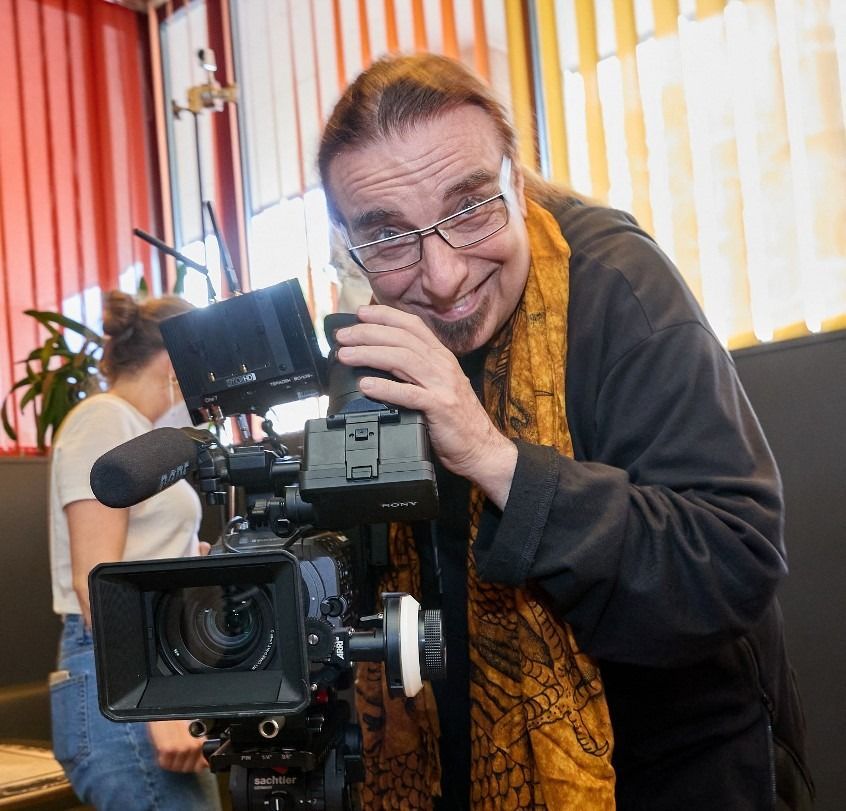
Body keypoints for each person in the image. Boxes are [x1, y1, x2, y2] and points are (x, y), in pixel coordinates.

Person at [317, 53, 814, 810]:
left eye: (468, 209)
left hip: (676, 770)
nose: (443, 276)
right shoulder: (375, 330)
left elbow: (730, 559)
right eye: (388, 238)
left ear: (516, 183)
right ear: (347, 246)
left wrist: (489, 455)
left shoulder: (619, 288)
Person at [48, 291, 222, 811]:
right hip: (119, 672)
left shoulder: (143, 434)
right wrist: (153, 703)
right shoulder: (103, 419)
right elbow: (95, 578)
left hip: (150, 659)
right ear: (174, 363)